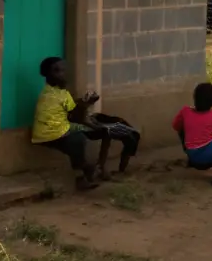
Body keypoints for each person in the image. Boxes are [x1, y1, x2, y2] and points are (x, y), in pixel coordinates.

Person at [30, 57, 136, 190]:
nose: (63, 74)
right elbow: (77, 116)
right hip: (54, 133)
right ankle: (95, 169)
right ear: (47, 74)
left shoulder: (48, 92)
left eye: (63, 70)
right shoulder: (61, 94)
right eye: (57, 71)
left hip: (46, 132)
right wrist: (89, 111)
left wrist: (84, 105)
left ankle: (88, 172)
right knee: (86, 136)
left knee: (82, 137)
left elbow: (71, 110)